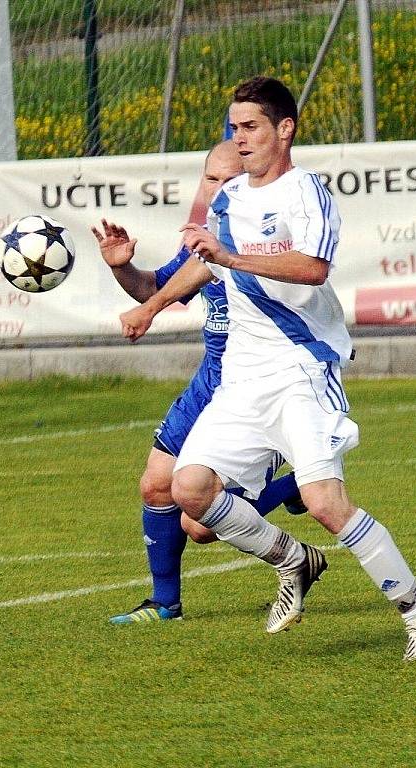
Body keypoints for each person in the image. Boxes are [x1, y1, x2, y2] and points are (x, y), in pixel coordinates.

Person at [120, 77, 416, 661]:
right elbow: (207, 266)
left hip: (302, 370)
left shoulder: (308, 193)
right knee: (189, 490)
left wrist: (230, 256)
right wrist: (151, 304)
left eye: (250, 127)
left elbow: (313, 268)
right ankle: (294, 562)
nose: (239, 139)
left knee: (326, 504)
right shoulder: (231, 199)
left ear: (284, 129)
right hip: (243, 378)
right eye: (234, 128)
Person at [91, 140, 305, 625]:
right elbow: (156, 290)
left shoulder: (270, 237)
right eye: (211, 179)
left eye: (230, 179)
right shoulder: (206, 238)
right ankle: (165, 603)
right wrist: (123, 266)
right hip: (210, 382)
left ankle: (296, 485)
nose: (218, 189)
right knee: (154, 487)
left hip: (262, 388)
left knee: (201, 525)